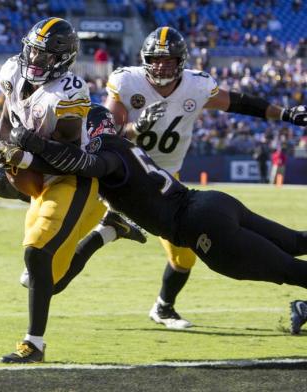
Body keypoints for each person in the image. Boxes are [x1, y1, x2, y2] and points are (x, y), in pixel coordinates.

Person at [0, 104, 307, 337]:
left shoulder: (105, 152)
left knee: (291, 269)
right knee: (294, 243)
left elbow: (85, 163)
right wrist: (14, 174)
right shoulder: (118, 144)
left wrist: (33, 147)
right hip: (212, 203)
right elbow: (59, 176)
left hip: (200, 225)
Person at [103, 26, 307, 330]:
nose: (161, 66)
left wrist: (286, 114)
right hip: (134, 180)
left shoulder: (195, 87)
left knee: (185, 259)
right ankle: (43, 270)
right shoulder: (127, 83)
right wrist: (135, 129)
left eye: (168, 60)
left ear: (181, 62)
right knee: (287, 253)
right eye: (156, 59)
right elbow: (106, 135)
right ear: (145, 59)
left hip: (168, 183)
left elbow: (238, 102)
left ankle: (163, 306)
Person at [0, 17, 145, 364]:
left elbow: (68, 156)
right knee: (46, 282)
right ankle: (108, 231)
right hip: (40, 178)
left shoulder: (69, 91)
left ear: (61, 60)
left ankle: (34, 344)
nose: (34, 61)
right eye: (32, 52)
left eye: (43, 57)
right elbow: (9, 112)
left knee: (37, 253)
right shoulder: (13, 70)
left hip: (73, 178)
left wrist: (24, 156)